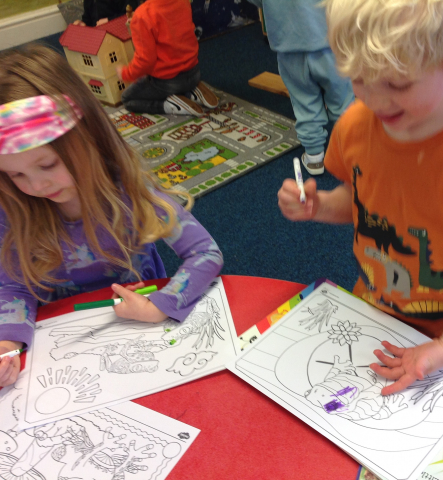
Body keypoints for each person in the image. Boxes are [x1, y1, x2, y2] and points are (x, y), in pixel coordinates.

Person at [277, 0, 443, 394]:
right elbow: (358, 205)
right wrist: (318, 206)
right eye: (358, 78)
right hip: (375, 311)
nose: (375, 99)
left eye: (398, 84)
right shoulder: (355, 125)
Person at [0, 45, 224, 387]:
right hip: (62, 333)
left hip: (137, 320)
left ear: (89, 136)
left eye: (46, 165)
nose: (36, 185)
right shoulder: (14, 208)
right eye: (16, 175)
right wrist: (7, 343)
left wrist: (160, 305)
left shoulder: (131, 193)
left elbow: (205, 253)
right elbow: (14, 283)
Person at [247, 0, 354, 175]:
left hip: (289, 48)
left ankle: (314, 158)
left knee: (304, 101)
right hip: (329, 43)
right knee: (341, 99)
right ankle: (350, 152)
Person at [117, 0, 219, 116]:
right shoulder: (182, 2)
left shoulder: (143, 15)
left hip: (168, 82)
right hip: (194, 72)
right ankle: (190, 92)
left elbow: (145, 61)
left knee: (127, 99)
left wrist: (126, 74)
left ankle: (170, 105)